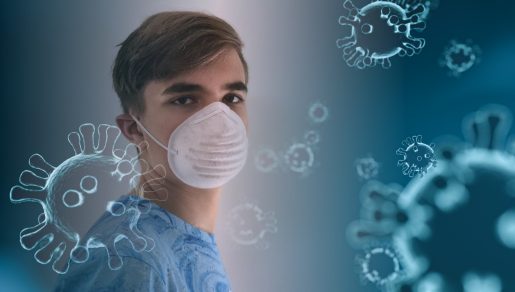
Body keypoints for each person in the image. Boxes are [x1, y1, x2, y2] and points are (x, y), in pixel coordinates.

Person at [54, 10, 249, 291]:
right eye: (184, 99)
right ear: (133, 128)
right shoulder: (130, 260)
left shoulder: (179, 242)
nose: (218, 121)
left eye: (231, 98)